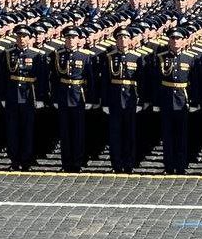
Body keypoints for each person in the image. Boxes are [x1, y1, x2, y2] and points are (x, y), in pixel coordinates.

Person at [2, 24, 47, 171]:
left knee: (28, 130)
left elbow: (42, 78)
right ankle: (14, 160)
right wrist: (3, 96)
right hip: (12, 95)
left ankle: (27, 160)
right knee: (12, 130)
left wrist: (40, 98)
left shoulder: (36, 55)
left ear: (30, 38)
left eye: (25, 36)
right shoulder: (8, 54)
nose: (22, 39)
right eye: (19, 36)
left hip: (29, 96)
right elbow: (2, 76)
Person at [51, 26, 96, 172]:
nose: (70, 40)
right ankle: (66, 163)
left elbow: (91, 80)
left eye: (73, 38)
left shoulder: (85, 56)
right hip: (63, 96)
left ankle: (77, 162)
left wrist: (90, 99)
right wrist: (55, 98)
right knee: (64, 132)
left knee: (78, 132)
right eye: (68, 38)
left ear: (78, 40)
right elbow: (54, 78)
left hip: (78, 97)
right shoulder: (58, 54)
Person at [100, 25, 141, 173]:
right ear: (116, 41)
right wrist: (104, 102)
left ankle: (129, 164)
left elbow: (141, 81)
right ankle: (116, 165)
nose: (122, 40)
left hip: (130, 99)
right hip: (114, 100)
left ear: (130, 40)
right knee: (115, 134)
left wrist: (140, 101)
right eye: (119, 38)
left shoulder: (136, 57)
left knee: (130, 134)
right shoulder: (110, 58)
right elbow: (105, 81)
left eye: (125, 37)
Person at [156, 26, 194, 175]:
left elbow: (194, 81)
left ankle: (181, 165)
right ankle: (168, 165)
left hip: (182, 100)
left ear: (183, 41)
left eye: (178, 38)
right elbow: (156, 80)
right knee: (167, 135)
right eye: (172, 38)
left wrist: (195, 101)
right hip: (166, 98)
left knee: (182, 135)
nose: (175, 41)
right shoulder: (161, 57)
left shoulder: (189, 58)